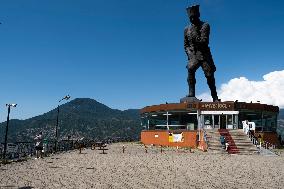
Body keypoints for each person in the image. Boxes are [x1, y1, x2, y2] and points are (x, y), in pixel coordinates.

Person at [184, 5, 219, 101]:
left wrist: (195, 34)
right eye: (190, 17)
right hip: (193, 56)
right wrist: (189, 54)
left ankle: (215, 97)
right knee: (190, 69)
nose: (192, 19)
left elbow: (204, 41)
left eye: (194, 17)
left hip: (204, 55)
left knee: (209, 76)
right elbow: (186, 45)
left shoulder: (205, 25)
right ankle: (191, 94)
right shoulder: (186, 29)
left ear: (198, 15)